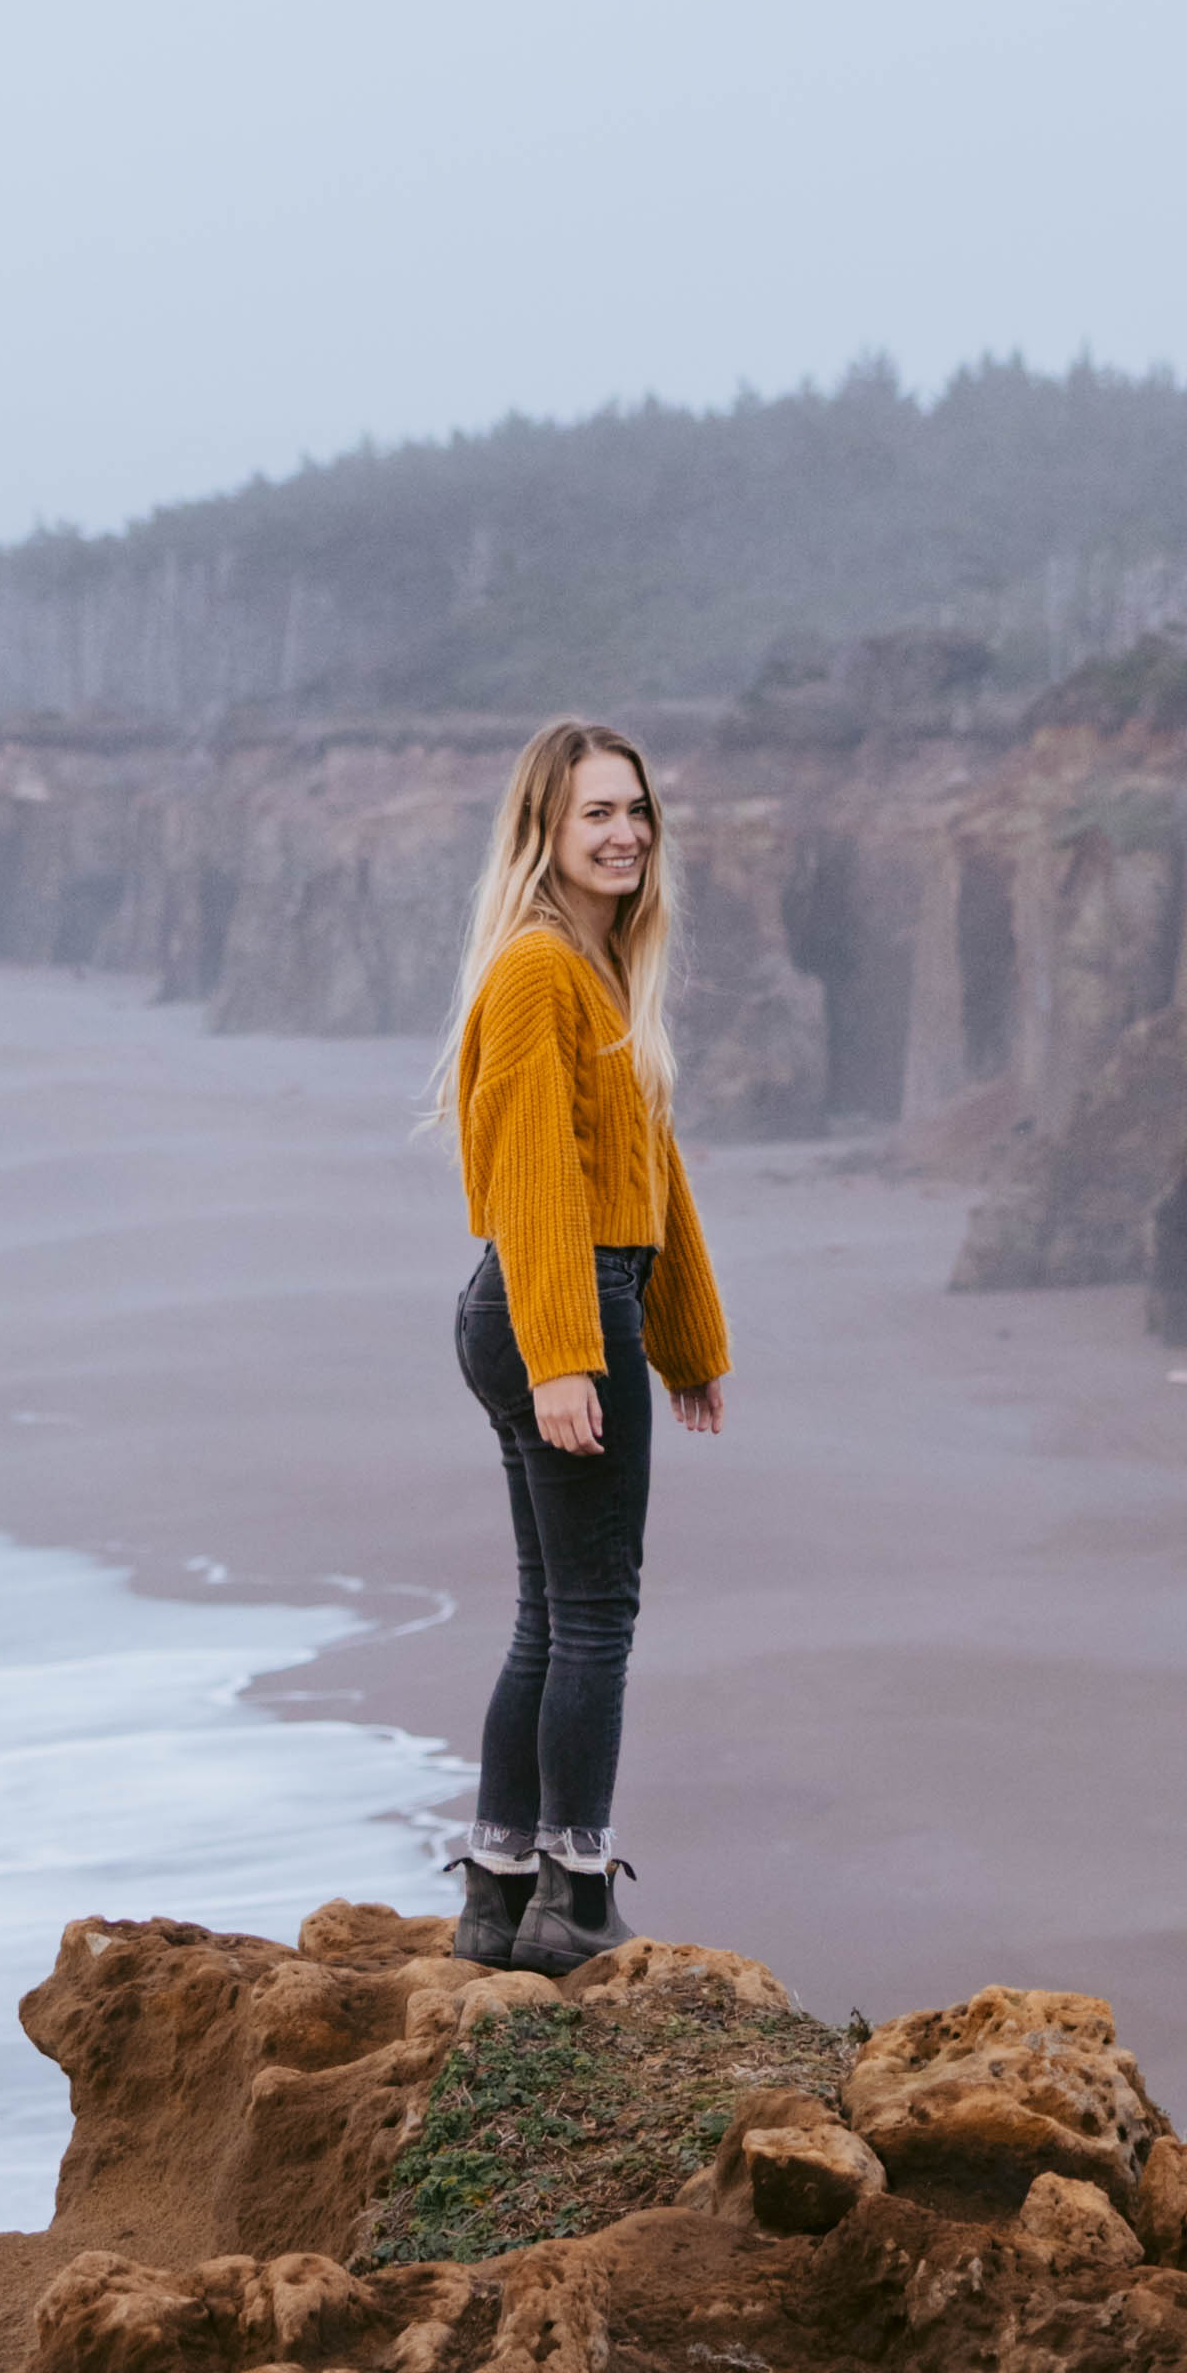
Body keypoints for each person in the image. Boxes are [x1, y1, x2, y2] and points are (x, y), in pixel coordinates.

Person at [435, 717, 731, 1970]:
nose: (623, 834)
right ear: (543, 835)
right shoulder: (540, 970)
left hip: (564, 1301)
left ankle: (500, 1892)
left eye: (636, 810)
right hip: (550, 1302)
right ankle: (575, 1898)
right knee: (596, 1615)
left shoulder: (602, 970)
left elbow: (647, 1168)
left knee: (552, 1613)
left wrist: (689, 1338)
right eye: (594, 815)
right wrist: (568, 1351)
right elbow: (537, 1172)